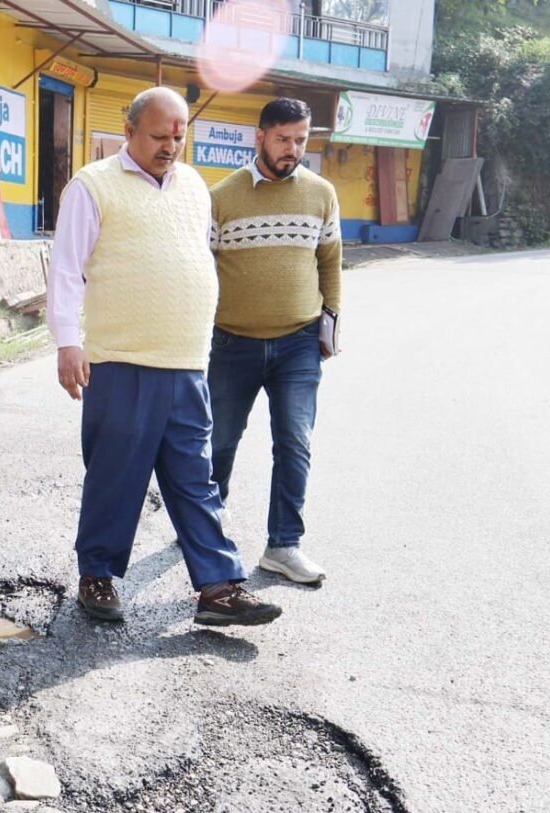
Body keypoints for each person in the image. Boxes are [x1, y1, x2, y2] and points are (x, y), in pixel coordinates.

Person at [47, 86, 282, 627]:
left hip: (186, 361)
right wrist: (67, 341)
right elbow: (66, 270)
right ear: (129, 131)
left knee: (196, 478)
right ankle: (97, 576)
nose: (170, 147)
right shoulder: (93, 186)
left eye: (178, 137)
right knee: (116, 476)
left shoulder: (194, 186)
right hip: (121, 360)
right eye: (158, 136)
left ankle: (219, 587)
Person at [208, 97, 342, 584]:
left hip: (299, 344)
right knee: (219, 440)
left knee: (294, 443)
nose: (293, 149)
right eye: (283, 139)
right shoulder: (222, 197)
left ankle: (283, 545)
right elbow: (203, 270)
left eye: (301, 140)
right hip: (232, 343)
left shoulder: (321, 194)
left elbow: (330, 262)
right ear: (260, 136)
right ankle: (206, 521)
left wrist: (330, 323)